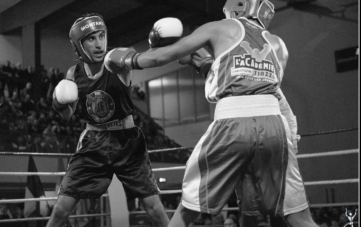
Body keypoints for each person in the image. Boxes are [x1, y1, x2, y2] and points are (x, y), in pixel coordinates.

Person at [104, 0, 319, 227]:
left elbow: (160, 57)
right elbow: (262, 89)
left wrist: (128, 59)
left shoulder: (219, 28)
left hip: (232, 125)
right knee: (295, 217)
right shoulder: (278, 45)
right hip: (276, 128)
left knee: (189, 208)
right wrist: (205, 63)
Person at [46, 13, 169, 227]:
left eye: (101, 36)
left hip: (127, 141)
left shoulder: (117, 61)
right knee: (61, 208)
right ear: (79, 45)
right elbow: (68, 114)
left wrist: (164, 48)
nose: (99, 44)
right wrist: (57, 102)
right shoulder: (74, 73)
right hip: (93, 141)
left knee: (154, 207)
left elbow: (146, 60)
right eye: (91, 39)